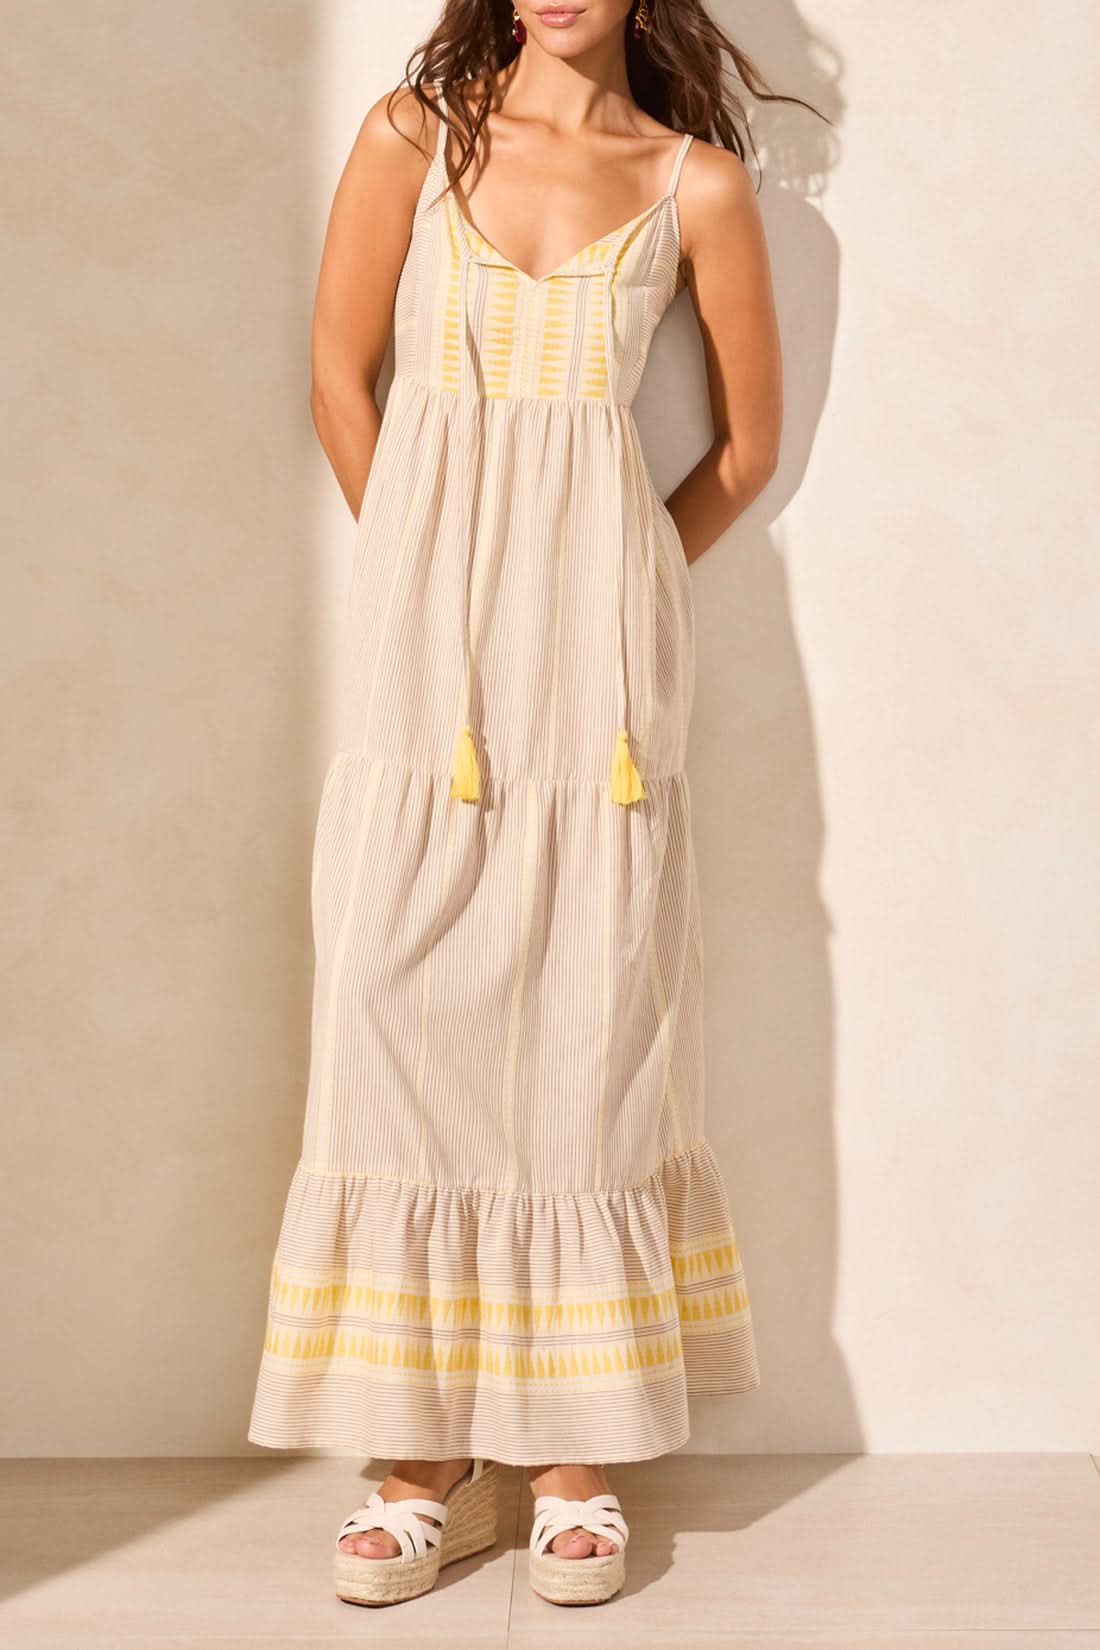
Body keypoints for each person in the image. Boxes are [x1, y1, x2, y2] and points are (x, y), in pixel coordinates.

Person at [248, 0, 811, 1610]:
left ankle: (568, 1449)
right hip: (429, 662)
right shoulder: (412, 140)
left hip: (602, 685)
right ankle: (420, 1452)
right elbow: (337, 378)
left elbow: (746, 450)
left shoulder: (696, 183)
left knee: (589, 1014)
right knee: (393, 999)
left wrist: (612, 587)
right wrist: (432, 586)